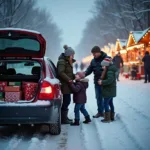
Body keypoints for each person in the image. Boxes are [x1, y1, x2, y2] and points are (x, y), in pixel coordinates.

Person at [78, 46, 107, 118]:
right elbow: (89, 69)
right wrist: (84, 73)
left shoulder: (106, 58)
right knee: (98, 97)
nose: (93, 55)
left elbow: (110, 69)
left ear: (98, 52)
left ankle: (107, 112)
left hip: (105, 81)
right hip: (97, 81)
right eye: (93, 54)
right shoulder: (93, 61)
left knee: (106, 97)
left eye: (94, 53)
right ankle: (100, 112)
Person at [57, 45, 77, 124]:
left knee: (67, 101)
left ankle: (64, 118)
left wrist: (75, 76)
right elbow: (61, 72)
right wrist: (69, 79)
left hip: (67, 84)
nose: (73, 56)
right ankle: (63, 119)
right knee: (66, 101)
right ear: (69, 55)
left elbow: (68, 73)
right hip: (64, 84)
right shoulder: (62, 62)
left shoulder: (67, 61)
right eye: (72, 55)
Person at [98, 57, 117, 123]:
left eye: (103, 65)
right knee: (110, 103)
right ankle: (111, 117)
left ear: (106, 65)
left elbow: (110, 80)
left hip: (109, 90)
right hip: (111, 90)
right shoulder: (109, 70)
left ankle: (107, 118)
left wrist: (102, 82)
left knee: (106, 103)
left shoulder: (109, 71)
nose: (102, 67)